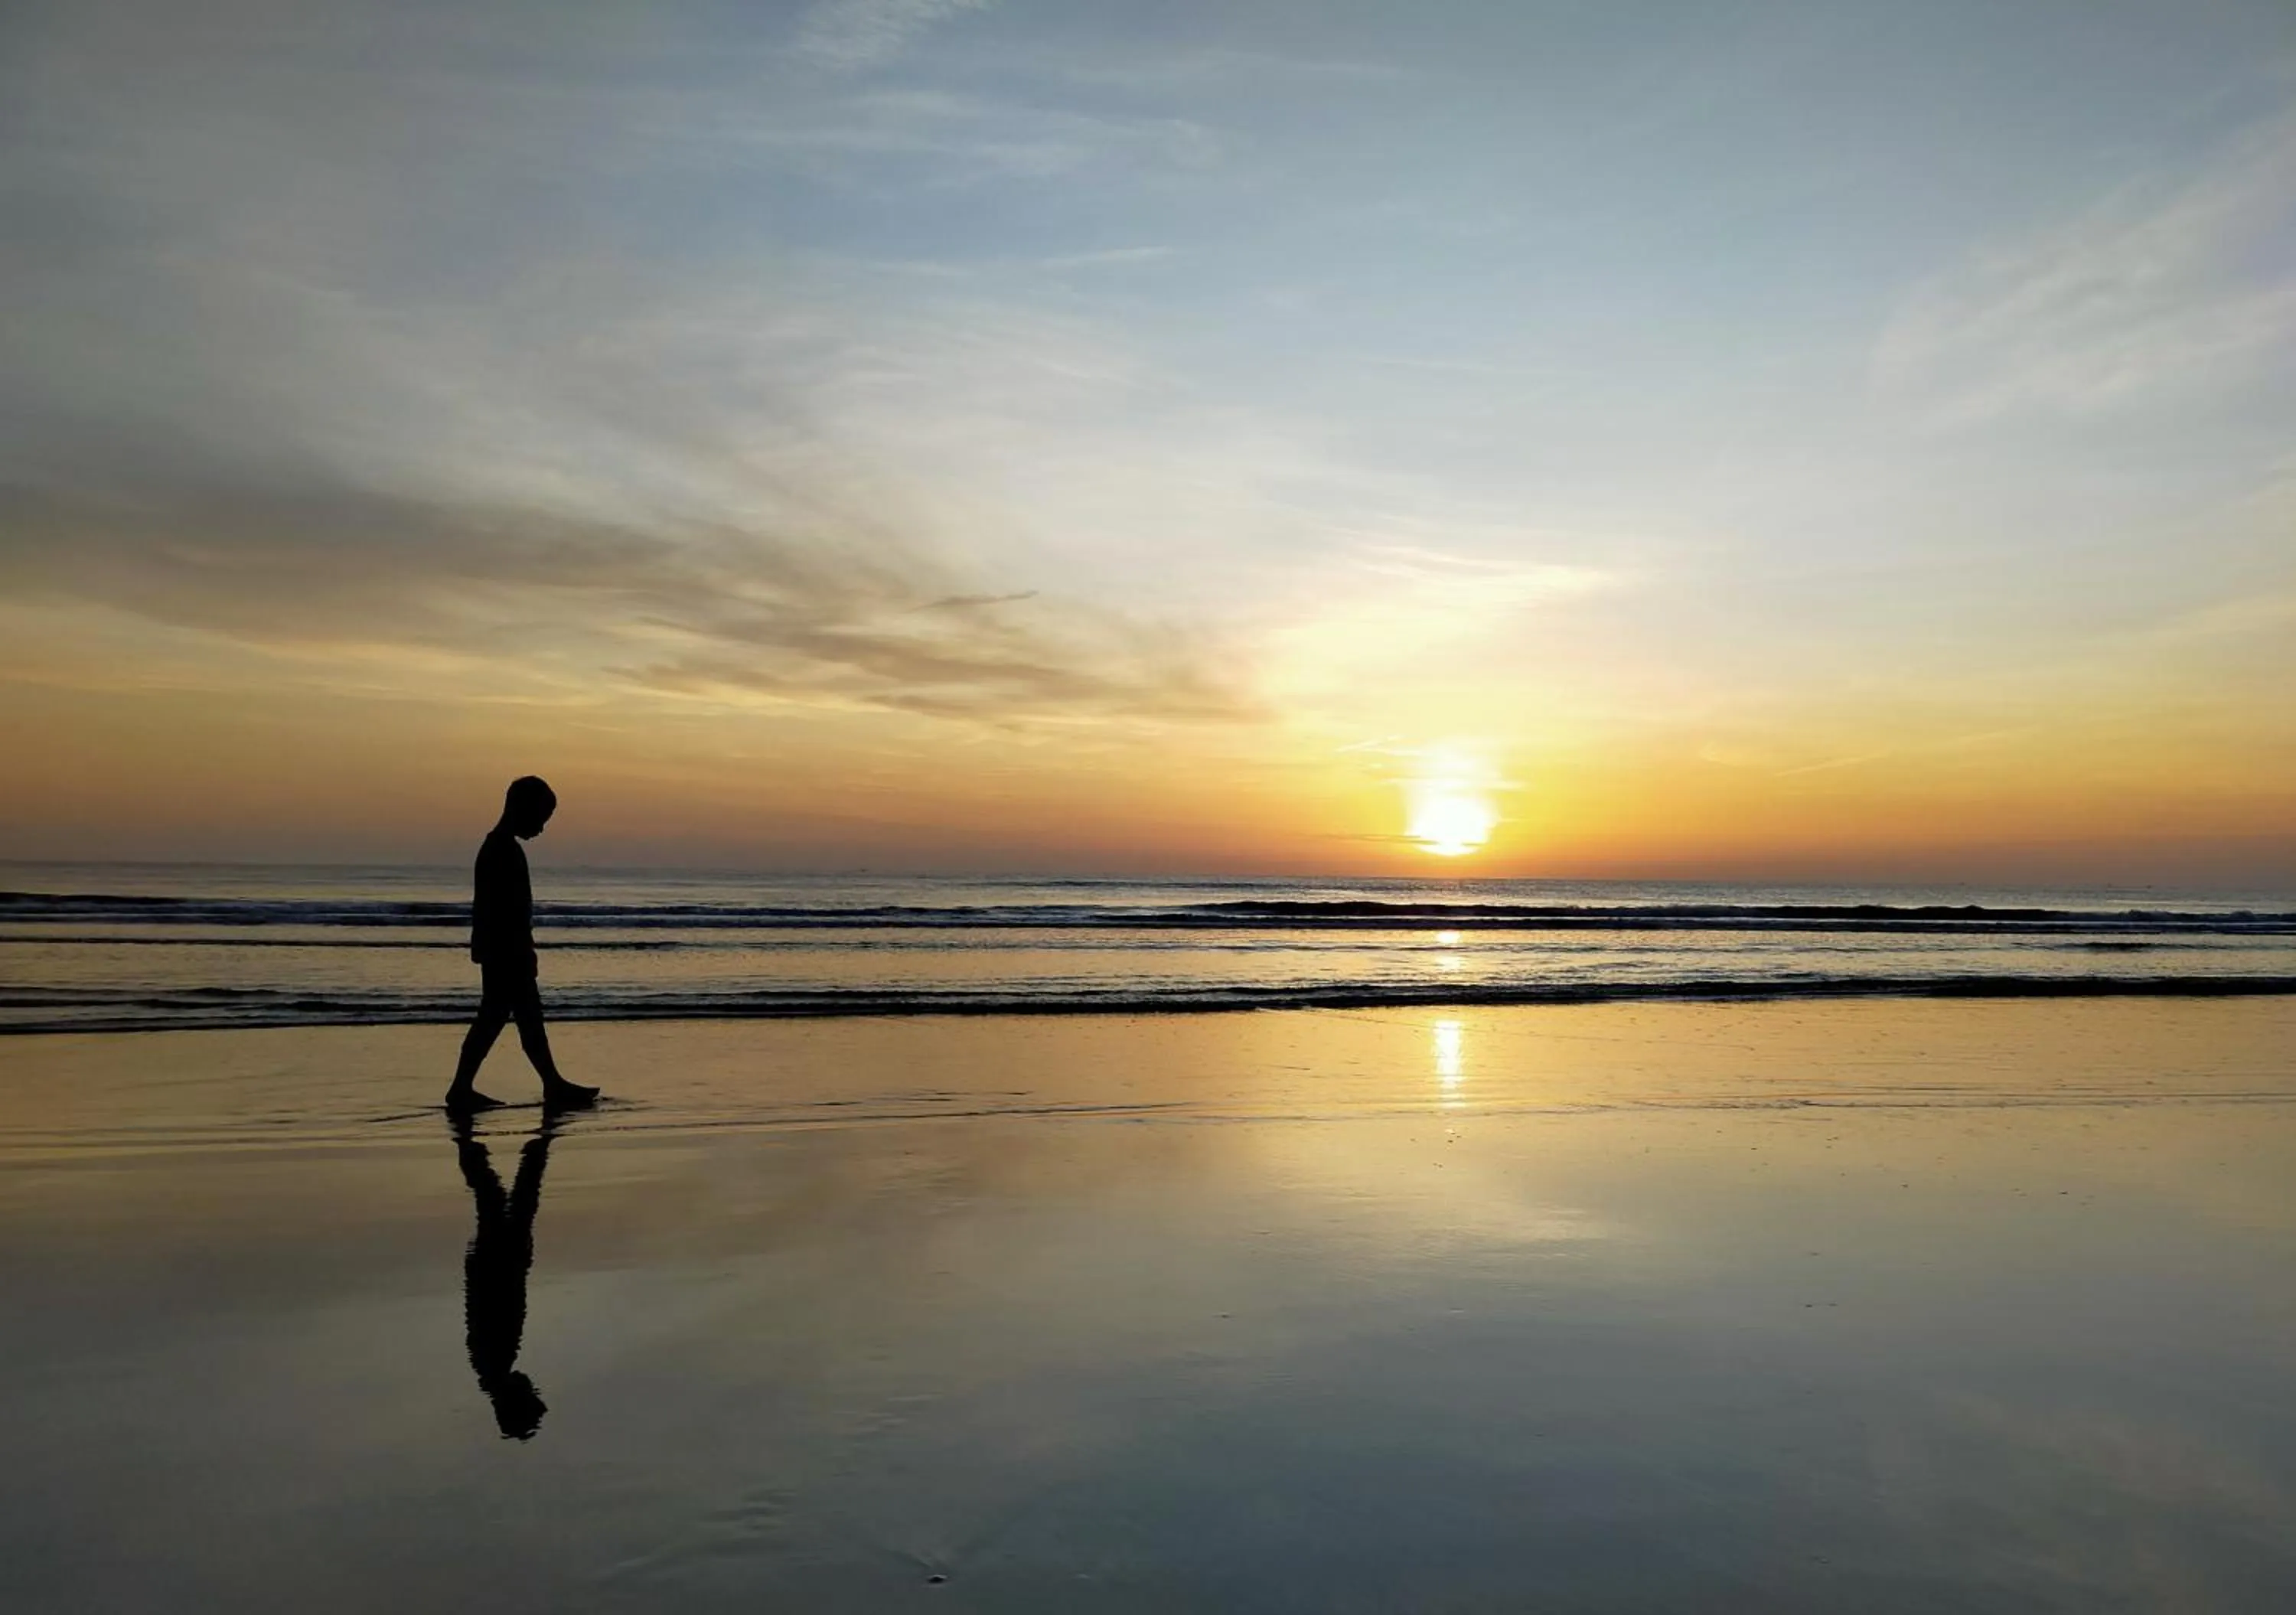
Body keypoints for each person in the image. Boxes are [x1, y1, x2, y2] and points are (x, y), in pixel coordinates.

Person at [444, 775, 598, 1113]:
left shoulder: (499, 848)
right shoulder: (502, 851)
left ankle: (549, 1082)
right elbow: (502, 911)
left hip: (501, 949)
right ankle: (464, 1088)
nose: (542, 828)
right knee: (502, 1018)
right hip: (506, 952)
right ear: (522, 810)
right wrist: (519, 951)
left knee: (517, 1019)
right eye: (541, 819)